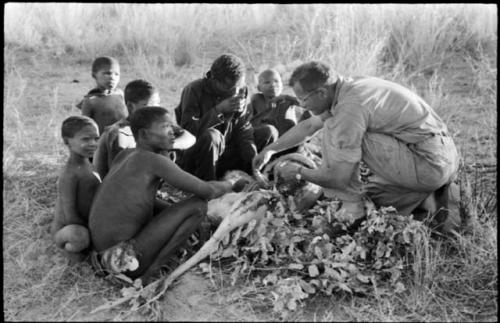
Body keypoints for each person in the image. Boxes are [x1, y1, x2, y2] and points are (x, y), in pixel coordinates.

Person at [253, 61, 460, 232]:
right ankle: (429, 198)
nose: (303, 105)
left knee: (336, 127)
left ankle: (353, 211)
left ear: (322, 93)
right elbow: (308, 126)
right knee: (376, 201)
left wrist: (298, 171)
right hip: (439, 156)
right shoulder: (348, 87)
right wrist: (270, 150)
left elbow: (339, 178)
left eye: (303, 99)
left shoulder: (348, 109)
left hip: (429, 162)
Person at [88, 107, 240, 284]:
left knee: (178, 208)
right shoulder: (153, 161)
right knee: (197, 206)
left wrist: (176, 215)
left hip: (100, 257)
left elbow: (142, 201)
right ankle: (149, 275)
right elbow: (208, 191)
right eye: (166, 126)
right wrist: (233, 181)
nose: (173, 132)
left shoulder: (126, 155)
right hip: (122, 260)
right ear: (144, 134)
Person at [175, 53, 274, 181]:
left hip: (225, 154)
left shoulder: (240, 89)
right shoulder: (194, 90)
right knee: (212, 136)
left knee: (267, 132)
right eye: (230, 87)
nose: (236, 92)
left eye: (239, 86)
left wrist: (253, 159)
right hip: (198, 159)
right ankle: (207, 187)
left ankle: (250, 177)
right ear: (215, 80)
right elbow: (188, 131)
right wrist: (218, 110)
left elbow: (243, 129)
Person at [92, 79, 195, 179]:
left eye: (158, 103)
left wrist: (168, 144)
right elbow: (119, 176)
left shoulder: (154, 124)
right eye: (150, 105)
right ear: (131, 107)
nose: (156, 109)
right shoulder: (119, 133)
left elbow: (190, 138)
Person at [52, 116, 101, 264]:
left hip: (86, 223)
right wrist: (94, 233)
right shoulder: (69, 175)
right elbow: (70, 215)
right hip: (68, 229)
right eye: (85, 139)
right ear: (67, 141)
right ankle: (67, 252)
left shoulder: (87, 163)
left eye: (96, 138)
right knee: (79, 237)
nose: (93, 144)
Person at [249, 68, 311, 137]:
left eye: (276, 81)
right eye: (267, 82)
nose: (272, 84)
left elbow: (309, 104)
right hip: (268, 139)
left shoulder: (287, 99)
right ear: (259, 88)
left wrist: (287, 97)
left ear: (282, 86)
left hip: (289, 139)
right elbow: (249, 124)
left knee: (307, 114)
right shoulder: (256, 99)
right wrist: (267, 111)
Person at [77, 56, 128, 135]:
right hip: (102, 143)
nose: (112, 78)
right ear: (94, 75)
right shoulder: (90, 101)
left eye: (116, 74)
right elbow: (86, 128)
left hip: (124, 141)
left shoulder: (120, 95)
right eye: (107, 73)